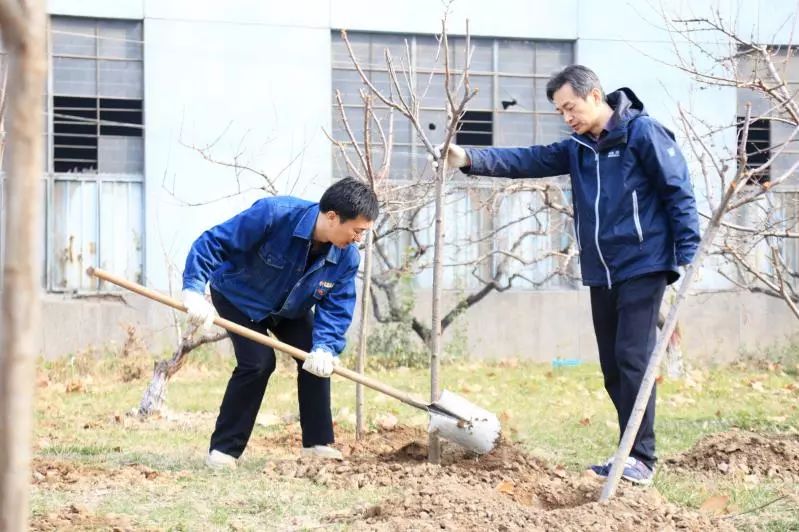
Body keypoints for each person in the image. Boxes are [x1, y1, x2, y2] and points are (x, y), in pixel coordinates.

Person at [437, 65, 700, 485]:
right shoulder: (579, 148)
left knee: (633, 359)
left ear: (595, 96)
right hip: (602, 269)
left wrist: (688, 254)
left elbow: (678, 190)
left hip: (645, 262)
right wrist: (469, 158)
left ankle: (642, 458)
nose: (567, 117)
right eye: (561, 112)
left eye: (570, 107)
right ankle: (627, 453)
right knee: (613, 367)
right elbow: (529, 159)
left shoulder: (642, 133)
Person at [181, 177, 379, 469]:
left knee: (316, 356)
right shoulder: (274, 214)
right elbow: (213, 242)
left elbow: (336, 307)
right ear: (333, 217)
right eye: (357, 230)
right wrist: (193, 291)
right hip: (238, 297)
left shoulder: (346, 257)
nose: (359, 238)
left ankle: (316, 443)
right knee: (258, 363)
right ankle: (223, 452)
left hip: (289, 308)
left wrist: (326, 347)